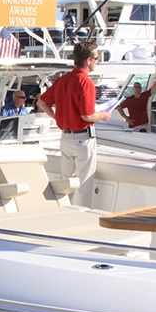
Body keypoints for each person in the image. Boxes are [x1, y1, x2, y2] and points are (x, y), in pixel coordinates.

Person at [36, 41, 111, 208]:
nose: (98, 61)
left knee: (66, 182)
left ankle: (64, 212)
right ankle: (81, 216)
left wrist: (57, 117)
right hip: (82, 138)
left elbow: (42, 102)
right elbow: (87, 115)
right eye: (97, 58)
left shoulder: (63, 80)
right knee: (84, 183)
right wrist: (102, 116)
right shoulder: (85, 83)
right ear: (88, 60)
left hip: (65, 138)